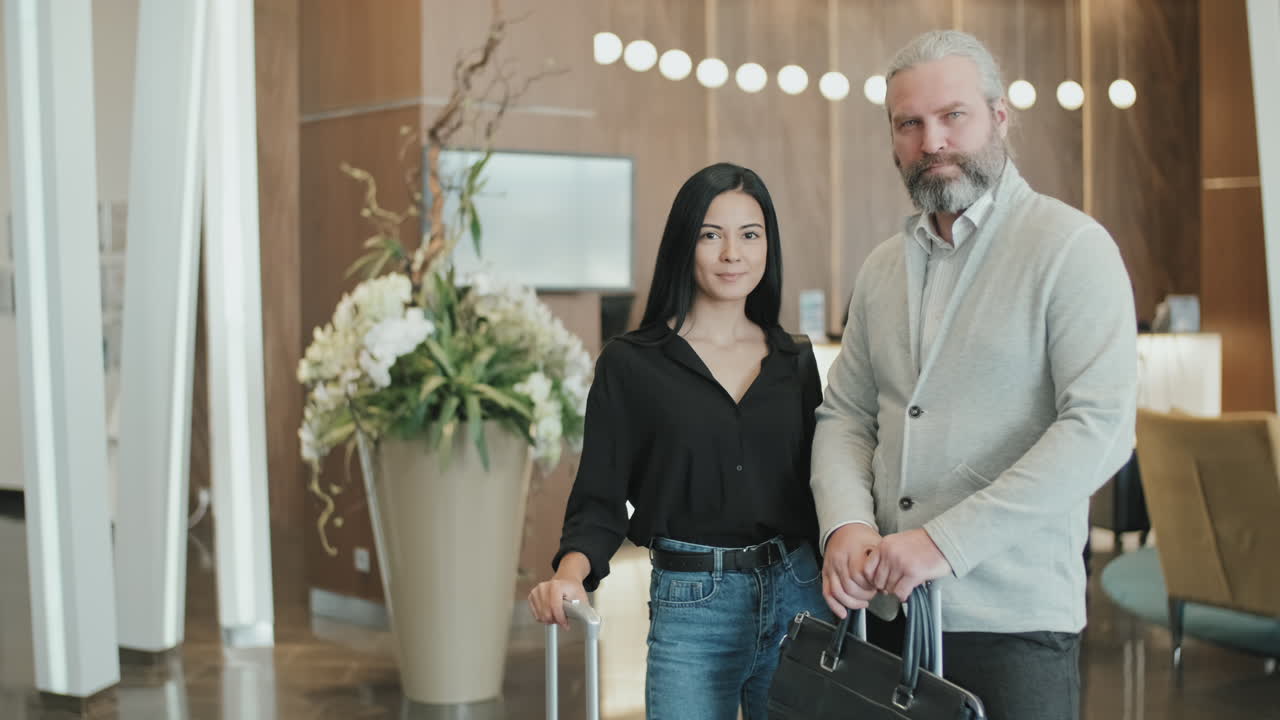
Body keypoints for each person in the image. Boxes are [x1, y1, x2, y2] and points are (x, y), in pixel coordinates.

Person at [811, 30, 1137, 720]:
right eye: (911, 123)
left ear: (998, 116)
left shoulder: (1072, 249)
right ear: (894, 138)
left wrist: (942, 543)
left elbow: (1101, 430)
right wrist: (843, 524)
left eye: (952, 115)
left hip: (1012, 625)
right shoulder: (880, 269)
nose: (933, 140)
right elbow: (845, 416)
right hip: (883, 615)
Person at [528, 162, 831, 719]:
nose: (731, 254)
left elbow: (821, 483)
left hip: (799, 596)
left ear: (769, 247)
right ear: (683, 244)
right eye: (710, 235)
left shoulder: (795, 358)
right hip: (694, 607)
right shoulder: (631, 363)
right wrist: (569, 574)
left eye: (749, 235)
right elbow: (600, 496)